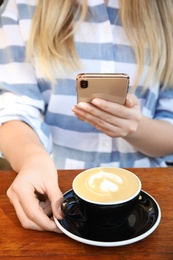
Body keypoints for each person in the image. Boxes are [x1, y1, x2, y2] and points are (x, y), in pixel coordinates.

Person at [0, 0, 173, 233]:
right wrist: (31, 158)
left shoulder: (166, 11)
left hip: (150, 188)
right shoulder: (23, 6)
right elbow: (15, 107)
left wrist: (136, 128)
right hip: (56, 184)